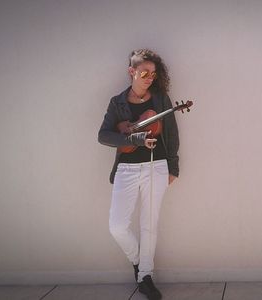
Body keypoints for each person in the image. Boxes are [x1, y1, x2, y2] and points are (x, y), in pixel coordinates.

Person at [98, 48, 179, 300]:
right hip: (126, 169)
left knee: (149, 224)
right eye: (144, 72)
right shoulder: (117, 102)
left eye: (153, 74)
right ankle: (137, 261)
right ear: (131, 71)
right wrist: (133, 137)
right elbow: (103, 135)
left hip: (157, 166)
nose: (148, 77)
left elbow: (172, 133)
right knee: (117, 226)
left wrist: (173, 167)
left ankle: (145, 276)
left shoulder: (161, 99)